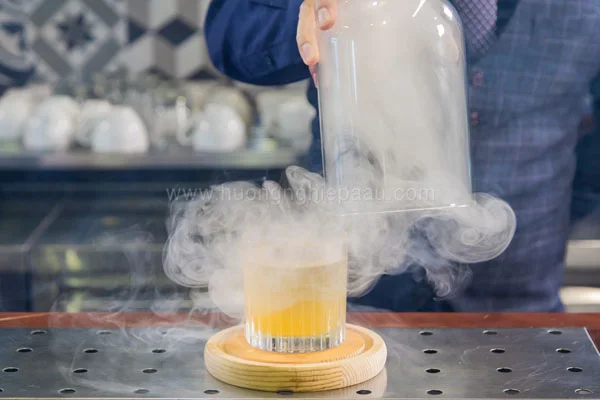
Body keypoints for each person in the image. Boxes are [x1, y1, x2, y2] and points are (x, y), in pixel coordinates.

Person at [205, 0, 600, 312]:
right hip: (358, 294)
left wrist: (563, 210)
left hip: (518, 300)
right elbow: (229, 29)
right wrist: (315, 14)